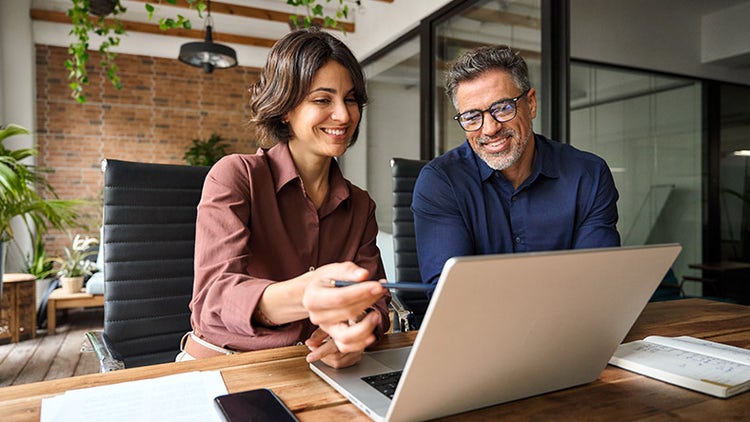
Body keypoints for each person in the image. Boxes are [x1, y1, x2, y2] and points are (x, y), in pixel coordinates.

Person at [180, 28, 390, 369]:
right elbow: (213, 298)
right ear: (285, 109)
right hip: (225, 365)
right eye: (323, 100)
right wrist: (304, 296)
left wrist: (356, 335)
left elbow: (376, 301)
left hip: (313, 368)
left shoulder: (360, 205)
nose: (344, 115)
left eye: (350, 99)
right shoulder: (236, 176)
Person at [412, 45, 620, 286]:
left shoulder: (589, 175)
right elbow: (448, 294)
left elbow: (596, 282)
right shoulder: (440, 182)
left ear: (530, 104)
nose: (490, 129)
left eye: (502, 108)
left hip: (572, 323)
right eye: (471, 117)